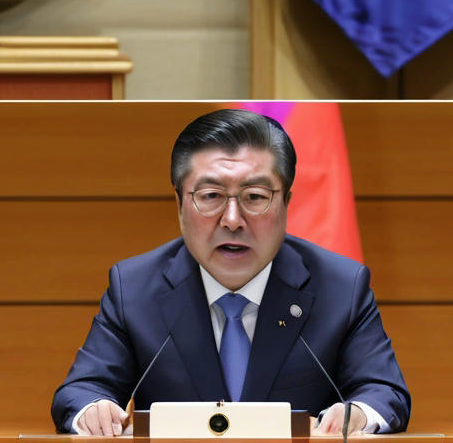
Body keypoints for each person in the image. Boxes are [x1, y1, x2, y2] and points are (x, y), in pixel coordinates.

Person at [51, 109, 409, 436]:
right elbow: (82, 390)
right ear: (179, 204)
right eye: (210, 196)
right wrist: (93, 410)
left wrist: (358, 415)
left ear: (286, 202)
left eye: (255, 197)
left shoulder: (341, 286)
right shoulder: (134, 287)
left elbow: (384, 391)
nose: (233, 220)